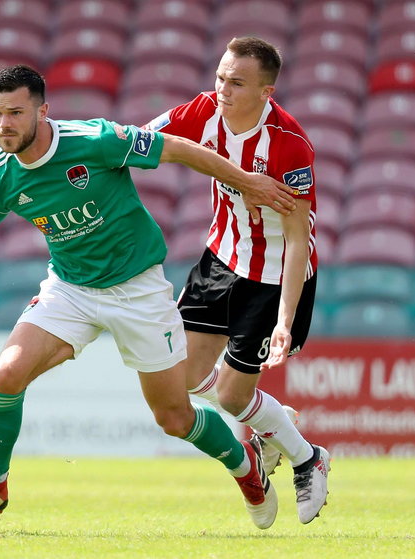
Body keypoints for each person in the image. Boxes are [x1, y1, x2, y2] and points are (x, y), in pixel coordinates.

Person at [0, 65, 298, 530]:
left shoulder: (93, 140)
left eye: (15, 112)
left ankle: (245, 468)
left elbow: (178, 149)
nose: (5, 124)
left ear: (42, 110)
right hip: (70, 289)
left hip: (138, 290)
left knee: (173, 417)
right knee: (7, 373)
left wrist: (246, 181)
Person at [144, 37, 330, 525]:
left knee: (230, 396)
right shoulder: (203, 111)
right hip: (221, 258)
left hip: (273, 277)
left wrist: (285, 321)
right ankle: (273, 422)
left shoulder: (289, 145)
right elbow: (137, 141)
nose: (222, 89)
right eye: (221, 76)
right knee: (180, 376)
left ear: (266, 92)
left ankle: (308, 458)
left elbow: (295, 239)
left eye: (237, 82)